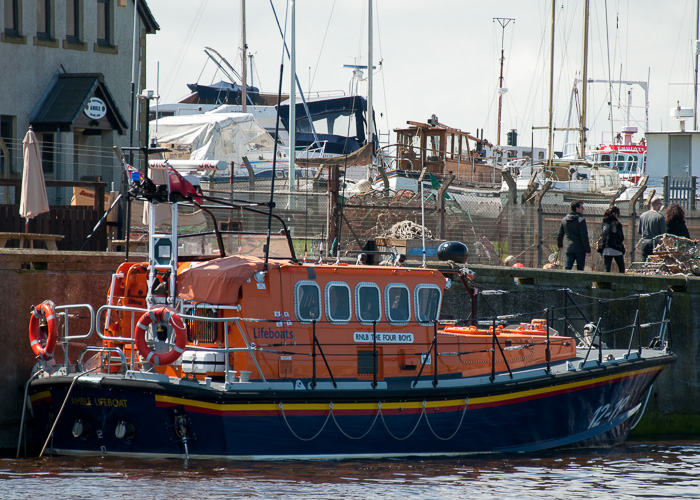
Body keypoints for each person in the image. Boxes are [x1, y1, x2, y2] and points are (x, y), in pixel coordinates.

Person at [557, 200, 591, 270]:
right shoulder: (581, 220)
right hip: (580, 249)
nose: (583, 209)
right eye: (581, 207)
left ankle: (565, 281)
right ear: (577, 209)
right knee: (580, 269)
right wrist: (588, 250)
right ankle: (579, 281)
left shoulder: (564, 220)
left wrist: (559, 245)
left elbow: (560, 234)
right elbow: (584, 236)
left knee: (567, 268)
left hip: (569, 248)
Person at [638, 196, 666, 261]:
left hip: (644, 243)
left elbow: (639, 231)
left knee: (644, 263)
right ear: (657, 204)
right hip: (655, 244)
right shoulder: (660, 217)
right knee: (654, 264)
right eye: (660, 204)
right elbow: (663, 234)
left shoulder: (642, 216)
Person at [600, 206, 626, 273]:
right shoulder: (617, 223)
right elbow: (621, 237)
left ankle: (606, 282)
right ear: (615, 214)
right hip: (616, 248)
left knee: (607, 268)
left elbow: (603, 236)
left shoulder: (604, 223)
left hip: (606, 249)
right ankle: (621, 282)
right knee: (621, 268)